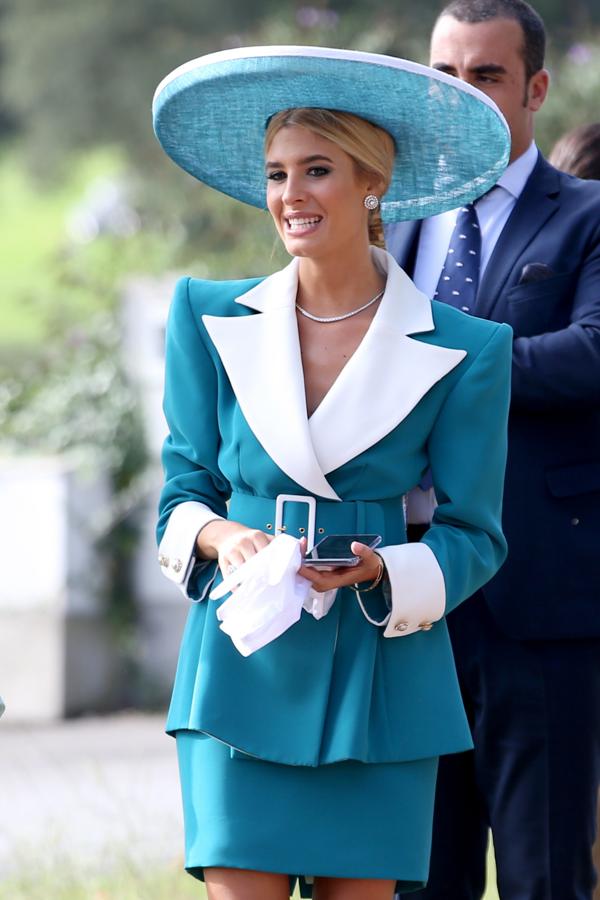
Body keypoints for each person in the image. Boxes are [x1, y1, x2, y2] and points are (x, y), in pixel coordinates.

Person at [153, 46, 512, 900]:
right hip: (245, 656)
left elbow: (475, 535)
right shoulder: (205, 315)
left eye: (317, 170)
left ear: (372, 183)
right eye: (277, 174)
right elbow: (182, 489)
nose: (290, 195)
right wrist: (223, 533)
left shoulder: (468, 348)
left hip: (380, 671)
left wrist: (386, 566)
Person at [385, 3, 600, 899]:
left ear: (536, 89)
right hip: (401, 594)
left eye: (487, 76)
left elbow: (592, 354)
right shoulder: (387, 216)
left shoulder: (587, 214)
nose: (462, 95)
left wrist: (446, 360)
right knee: (414, 879)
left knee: (544, 875)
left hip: (539, 597)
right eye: (446, 76)